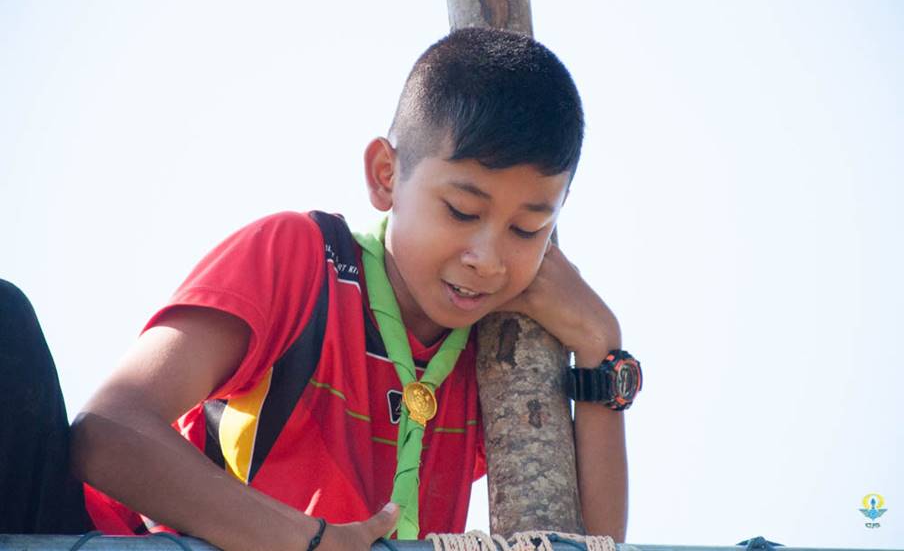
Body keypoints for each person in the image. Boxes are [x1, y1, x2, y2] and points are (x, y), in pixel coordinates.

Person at [1, 27, 633, 550]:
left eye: (527, 229)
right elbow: (108, 432)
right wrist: (303, 540)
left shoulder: (503, 350)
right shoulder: (302, 261)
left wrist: (600, 349)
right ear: (385, 176)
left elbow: (587, 545)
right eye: (462, 211)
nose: (486, 260)